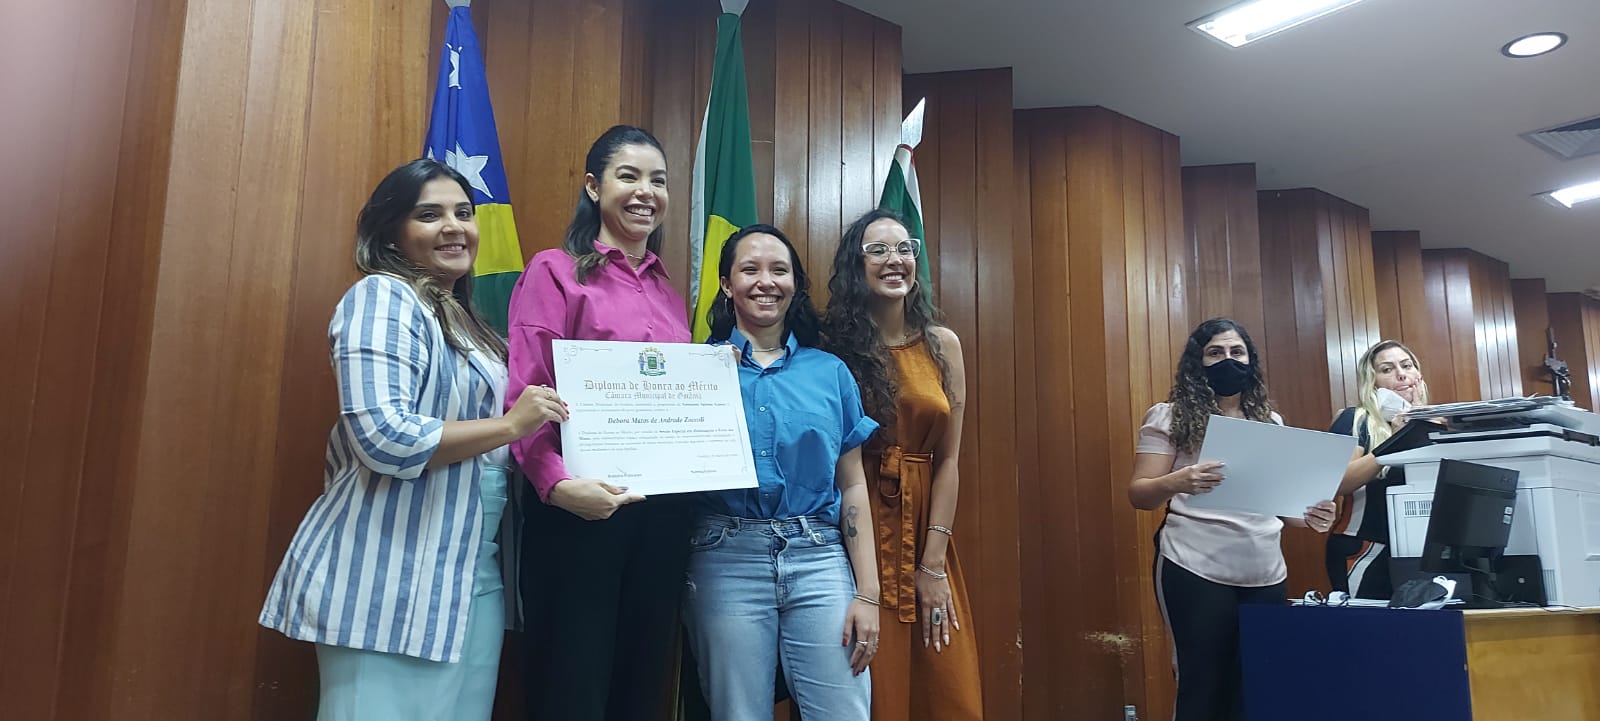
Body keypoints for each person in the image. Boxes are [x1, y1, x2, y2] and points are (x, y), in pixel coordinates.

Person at [259, 158, 567, 721]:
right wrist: (512, 424)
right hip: (389, 575)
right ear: (391, 233)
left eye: (464, 213)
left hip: (473, 577)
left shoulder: (468, 322)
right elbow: (384, 436)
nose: (455, 227)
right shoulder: (382, 297)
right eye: (430, 215)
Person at [505, 125, 692, 721]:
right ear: (593, 187)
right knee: (573, 680)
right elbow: (528, 394)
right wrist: (558, 487)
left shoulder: (667, 289)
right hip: (579, 509)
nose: (646, 192)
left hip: (659, 512)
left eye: (658, 180)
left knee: (641, 679)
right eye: (629, 176)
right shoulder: (555, 270)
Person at [683, 224, 882, 720]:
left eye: (779, 270)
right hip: (725, 557)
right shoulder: (693, 371)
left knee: (844, 711)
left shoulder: (829, 372)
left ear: (795, 284)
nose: (765, 281)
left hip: (818, 557)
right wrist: (703, 380)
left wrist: (868, 594)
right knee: (738, 713)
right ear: (727, 284)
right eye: (749, 269)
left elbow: (852, 483)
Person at [1127, 317, 1338, 721]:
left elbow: (1282, 507)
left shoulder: (1270, 422)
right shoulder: (1168, 416)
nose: (1228, 360)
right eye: (1216, 353)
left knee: (1258, 685)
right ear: (1198, 362)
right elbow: (1139, 494)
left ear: (1251, 360)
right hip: (1194, 564)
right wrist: (1180, 480)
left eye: (1237, 352)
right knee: (1203, 684)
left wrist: (1313, 514)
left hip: (1265, 570)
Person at [821, 209, 983, 721]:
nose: (895, 260)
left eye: (905, 249)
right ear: (856, 264)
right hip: (850, 522)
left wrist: (932, 563)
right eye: (878, 250)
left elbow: (950, 459)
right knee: (862, 676)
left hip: (922, 530)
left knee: (944, 679)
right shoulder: (830, 345)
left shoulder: (943, 344)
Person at [1326, 340, 1429, 599]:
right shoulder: (1355, 419)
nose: (1401, 374)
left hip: (1419, 549)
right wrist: (1395, 442)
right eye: (1387, 369)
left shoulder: (1435, 423)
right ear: (1373, 382)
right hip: (1366, 545)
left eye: (1407, 366)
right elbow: (1337, 482)